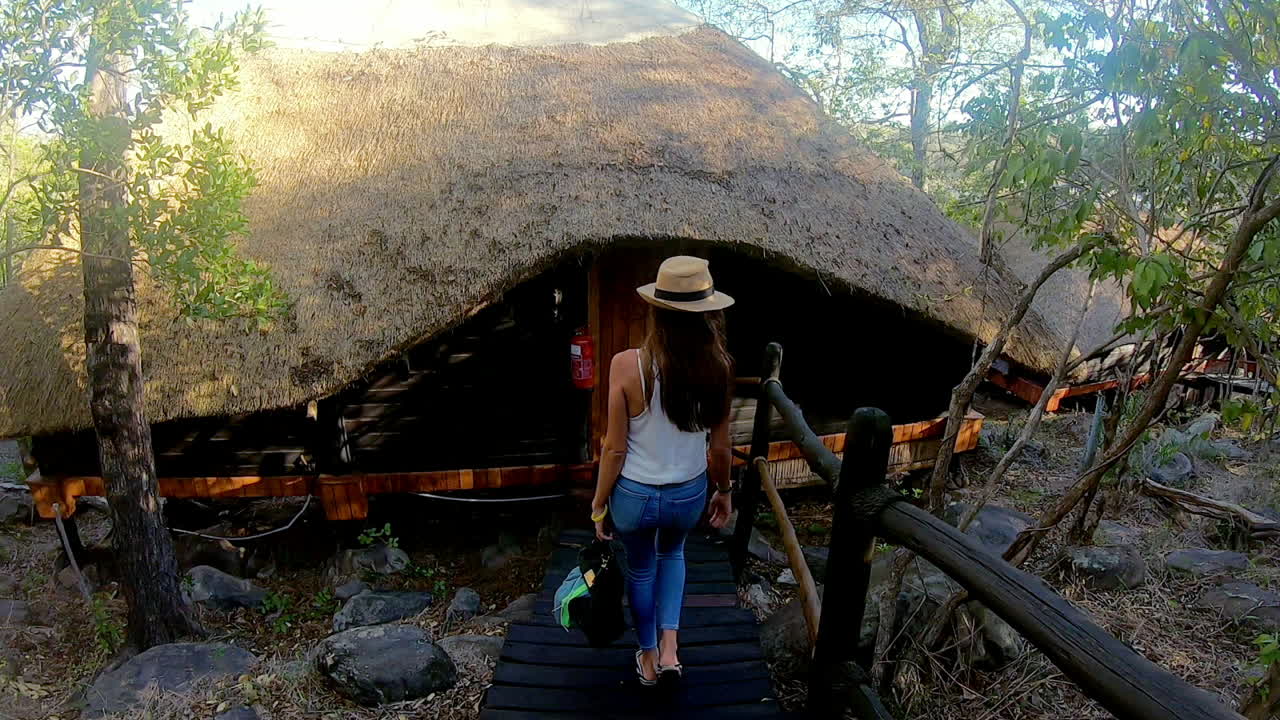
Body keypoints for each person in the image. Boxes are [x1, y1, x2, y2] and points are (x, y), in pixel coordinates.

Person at [590, 255, 735, 687]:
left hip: (634, 494)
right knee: (673, 555)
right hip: (687, 493)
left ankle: (649, 657)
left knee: (640, 568)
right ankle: (672, 650)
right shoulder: (720, 368)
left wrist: (599, 503)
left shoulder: (625, 365)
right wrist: (724, 492)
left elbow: (615, 449)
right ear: (708, 313)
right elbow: (720, 447)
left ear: (655, 309)